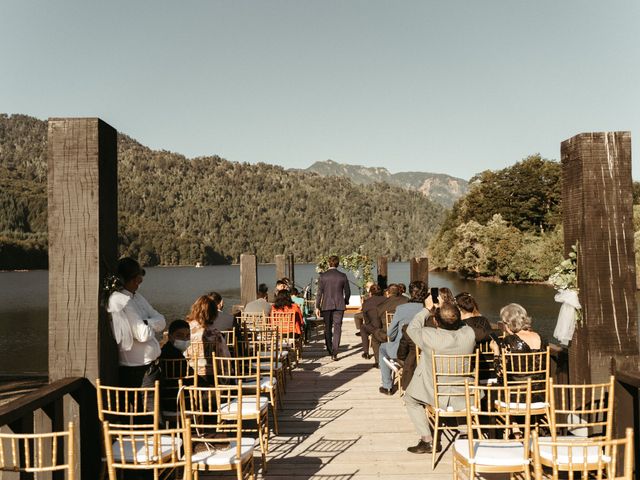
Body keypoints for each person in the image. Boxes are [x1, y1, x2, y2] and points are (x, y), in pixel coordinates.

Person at [404, 302, 476, 454]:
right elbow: (461, 324)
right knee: (461, 399)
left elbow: (412, 328)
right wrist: (452, 315)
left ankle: (427, 440)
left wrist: (427, 309)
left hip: (435, 392)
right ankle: (464, 433)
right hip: (465, 392)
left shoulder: (429, 335)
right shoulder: (469, 334)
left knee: (410, 400)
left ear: (436, 321)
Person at [107, 257, 166, 389]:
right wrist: (152, 323)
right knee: (148, 409)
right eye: (137, 278)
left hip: (150, 368)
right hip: (138, 371)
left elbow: (162, 321)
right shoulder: (121, 300)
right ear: (130, 278)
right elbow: (142, 334)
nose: (140, 282)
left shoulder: (137, 297)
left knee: (154, 408)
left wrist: (146, 322)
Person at [378, 281, 427, 395]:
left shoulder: (402, 308)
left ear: (410, 292)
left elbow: (390, 333)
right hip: (424, 350)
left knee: (382, 348)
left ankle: (387, 386)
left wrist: (395, 338)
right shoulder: (428, 309)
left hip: (403, 350)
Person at [490, 303, 547, 400]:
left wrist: (496, 352)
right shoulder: (542, 338)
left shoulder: (510, 341)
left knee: (493, 390)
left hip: (515, 396)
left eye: (504, 323)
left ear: (508, 323)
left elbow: (499, 373)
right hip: (539, 395)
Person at [185, 294, 229, 384]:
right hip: (211, 377)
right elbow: (225, 357)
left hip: (189, 374)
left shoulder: (185, 330)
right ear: (213, 313)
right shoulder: (215, 334)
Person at [315, 255, 350, 361]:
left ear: (328, 263)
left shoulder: (323, 276)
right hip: (339, 305)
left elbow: (319, 293)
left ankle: (330, 349)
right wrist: (345, 301)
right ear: (338, 264)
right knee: (338, 328)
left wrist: (317, 306)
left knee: (328, 328)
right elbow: (348, 292)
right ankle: (335, 351)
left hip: (326, 305)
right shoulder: (343, 276)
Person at [370, 284, 408, 364]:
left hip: (387, 334)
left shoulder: (381, 306)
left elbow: (378, 324)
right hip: (405, 332)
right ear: (399, 291)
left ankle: (378, 362)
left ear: (388, 292)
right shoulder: (406, 301)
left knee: (375, 336)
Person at [359, 284, 386, 358]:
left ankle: (366, 352)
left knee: (363, 328)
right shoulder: (386, 300)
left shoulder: (367, 303)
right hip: (386, 326)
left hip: (374, 327)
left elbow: (366, 320)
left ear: (371, 292)